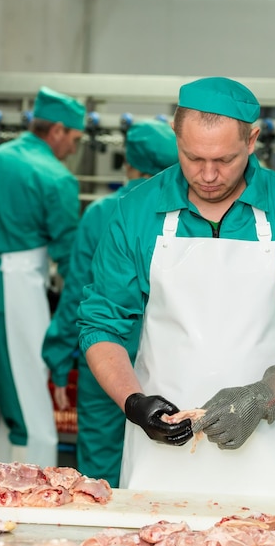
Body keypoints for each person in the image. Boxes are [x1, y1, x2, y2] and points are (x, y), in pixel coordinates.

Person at [77, 77, 275, 497]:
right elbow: (101, 323)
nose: (208, 175)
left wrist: (263, 396)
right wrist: (134, 402)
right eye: (192, 158)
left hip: (264, 446)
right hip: (161, 447)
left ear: (252, 140)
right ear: (176, 139)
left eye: (224, 160)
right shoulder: (137, 210)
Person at [42, 119, 178, 486]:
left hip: (104, 359)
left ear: (129, 162)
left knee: (99, 473)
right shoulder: (183, 214)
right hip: (166, 365)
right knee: (165, 467)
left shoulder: (102, 212)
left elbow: (76, 295)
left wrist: (56, 360)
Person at [0, 86, 86, 467]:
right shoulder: (54, 177)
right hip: (14, 293)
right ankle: (29, 498)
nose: (74, 148)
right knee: (28, 407)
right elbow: (71, 261)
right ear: (57, 130)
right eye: (74, 138)